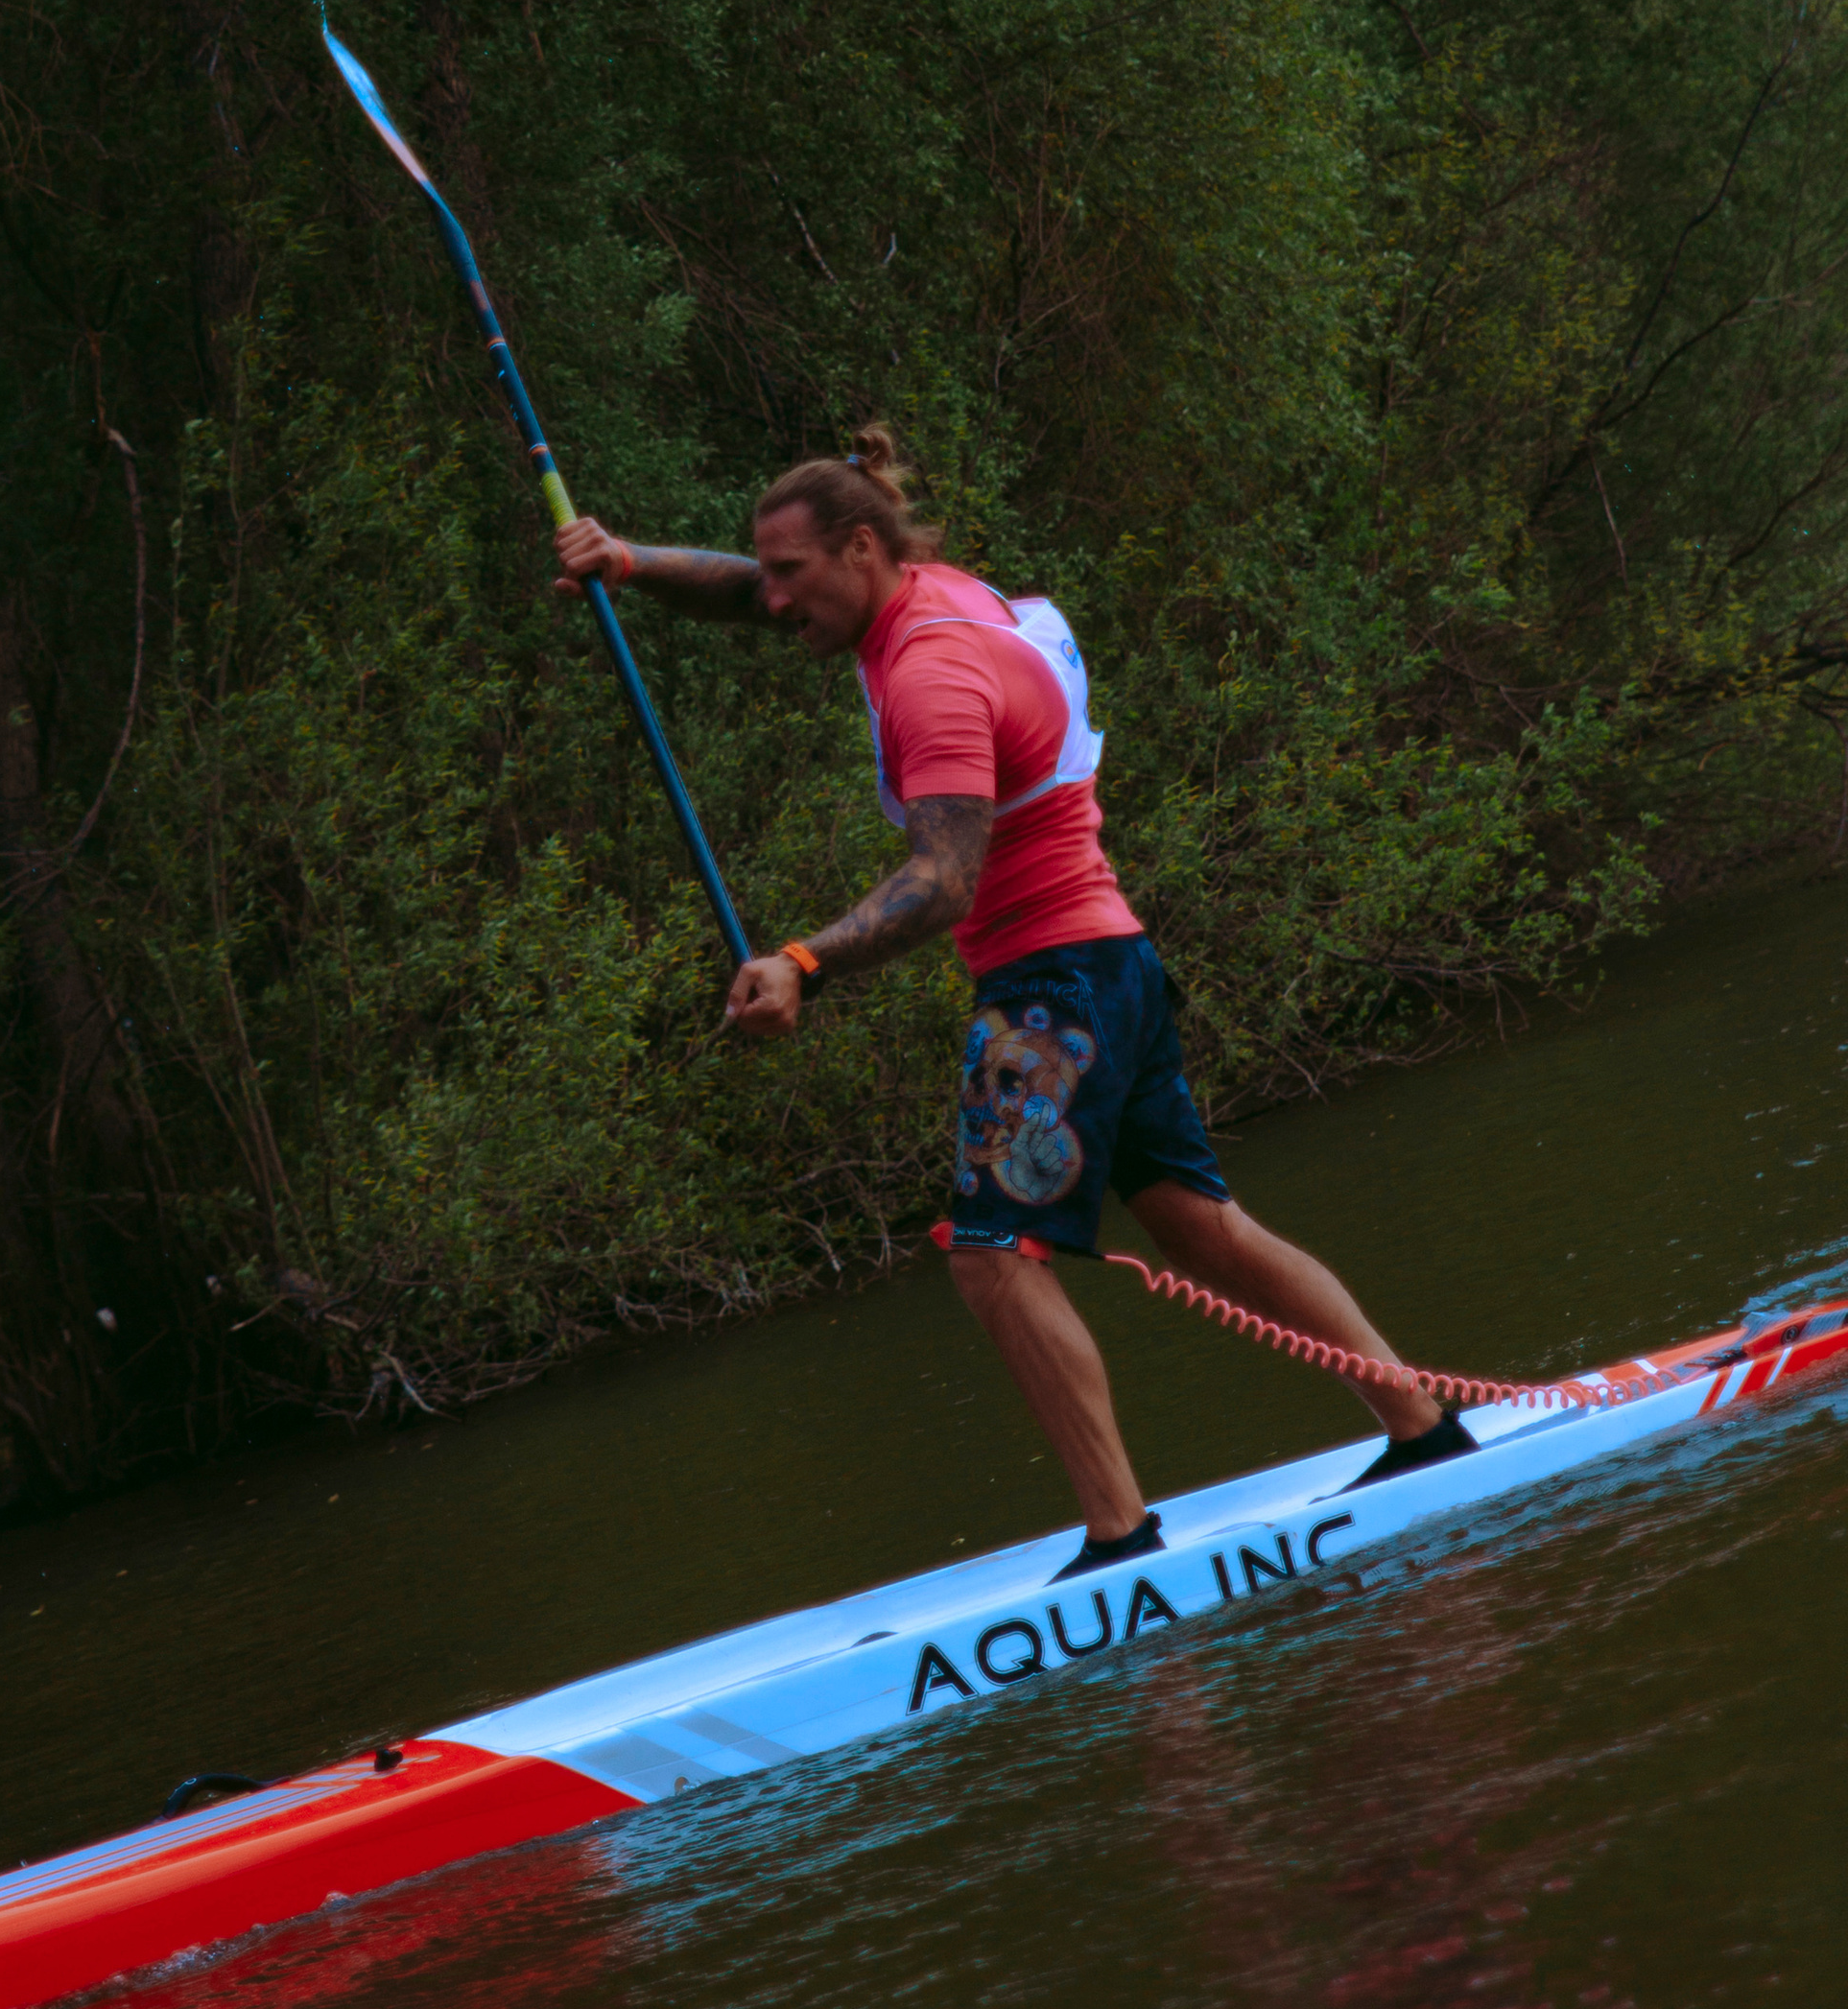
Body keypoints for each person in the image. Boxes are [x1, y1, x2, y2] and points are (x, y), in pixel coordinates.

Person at [553, 428, 1472, 1574]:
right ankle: (1423, 1431)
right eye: (771, 571)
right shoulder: (921, 589)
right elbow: (747, 594)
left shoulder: (930, 673)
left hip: (1052, 985)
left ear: (860, 548)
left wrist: (802, 961)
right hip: (1112, 960)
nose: (776, 599)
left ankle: (1120, 1541)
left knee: (991, 1255)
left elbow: (943, 880)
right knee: (1201, 1226)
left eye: (793, 572)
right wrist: (628, 560)